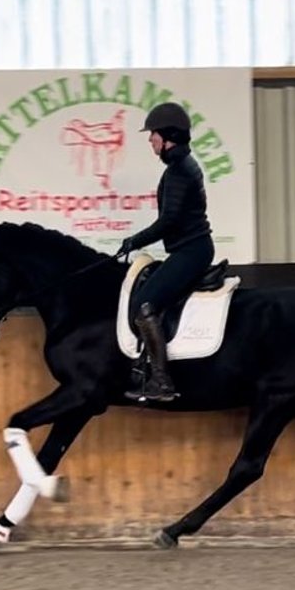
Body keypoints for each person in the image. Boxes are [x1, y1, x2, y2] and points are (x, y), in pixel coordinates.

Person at [118, 101, 215, 402]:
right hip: (191, 249)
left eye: (153, 135)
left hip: (192, 252)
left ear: (168, 136)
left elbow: (168, 221)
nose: (150, 140)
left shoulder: (178, 171)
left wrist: (134, 240)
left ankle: (161, 382)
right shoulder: (182, 165)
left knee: (144, 306)